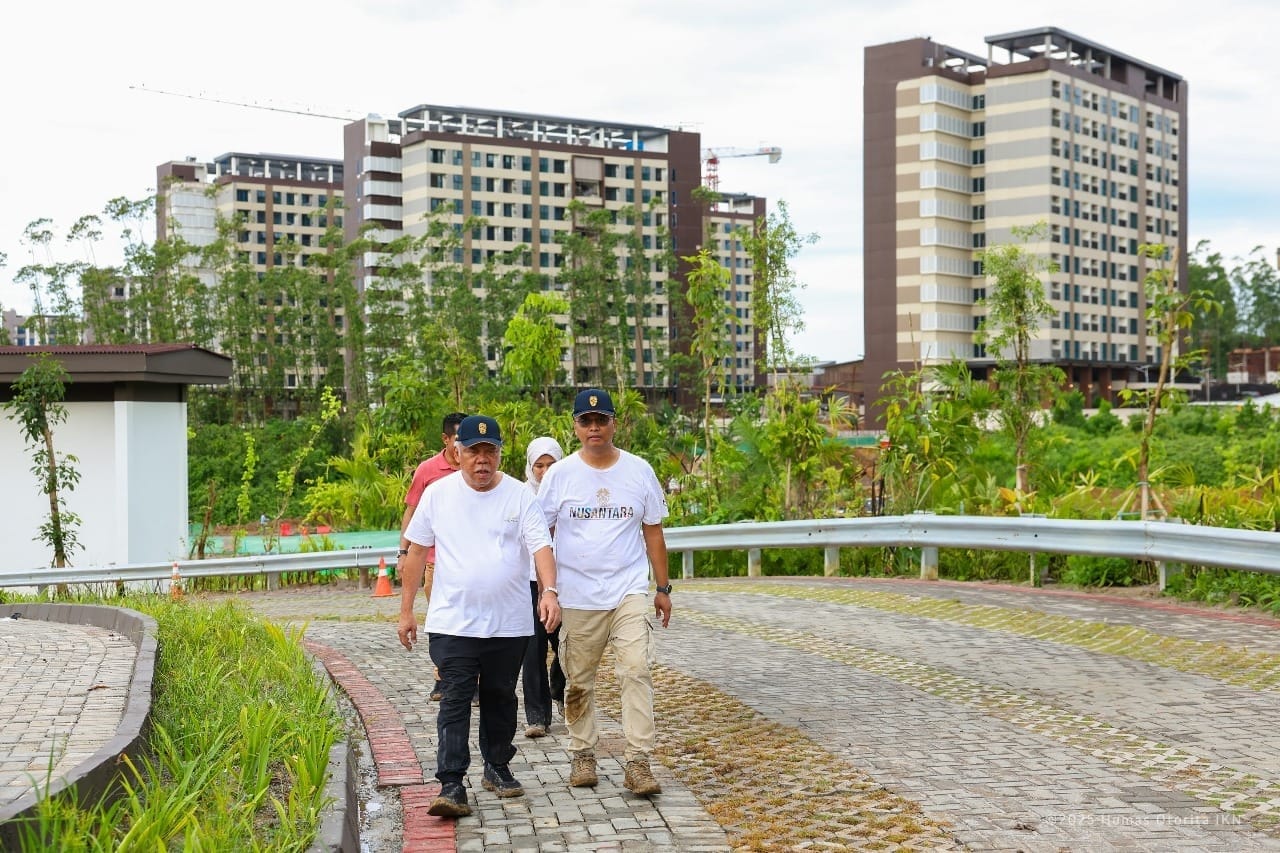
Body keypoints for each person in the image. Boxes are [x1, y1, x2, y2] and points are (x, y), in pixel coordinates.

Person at [397, 415, 561, 818]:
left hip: (509, 622)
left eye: (490, 451)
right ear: (458, 452)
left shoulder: (519, 495)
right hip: (453, 622)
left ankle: (497, 766)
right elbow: (416, 552)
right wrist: (406, 611)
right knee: (455, 697)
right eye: (473, 451)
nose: (482, 459)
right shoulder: (438, 494)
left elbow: (541, 547)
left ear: (500, 453)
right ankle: (451, 783)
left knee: (500, 696)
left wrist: (549, 592)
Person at [537, 388, 672, 797]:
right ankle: (582, 754)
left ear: (615, 423)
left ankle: (638, 762)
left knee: (636, 669)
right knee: (578, 680)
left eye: (602, 420)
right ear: (576, 427)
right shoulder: (560, 475)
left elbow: (653, 531)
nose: (594, 427)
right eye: (586, 421)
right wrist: (548, 590)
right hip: (577, 596)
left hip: (628, 591)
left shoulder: (639, 471)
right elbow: (540, 534)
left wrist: (662, 588)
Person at [397, 411, 467, 701]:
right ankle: (442, 677)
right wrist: (403, 551)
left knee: (470, 622)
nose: (462, 446)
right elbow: (411, 512)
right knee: (444, 622)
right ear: (445, 439)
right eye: (458, 439)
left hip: (469, 560)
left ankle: (472, 681)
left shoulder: (476, 469)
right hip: (435, 561)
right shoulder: (427, 471)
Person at [520, 436, 566, 739]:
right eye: (539, 465)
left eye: (552, 464)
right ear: (530, 466)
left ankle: (559, 688)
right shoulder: (520, 496)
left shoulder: (571, 492)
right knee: (532, 650)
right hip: (529, 581)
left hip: (567, 581)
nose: (546, 471)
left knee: (568, 645)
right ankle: (537, 716)